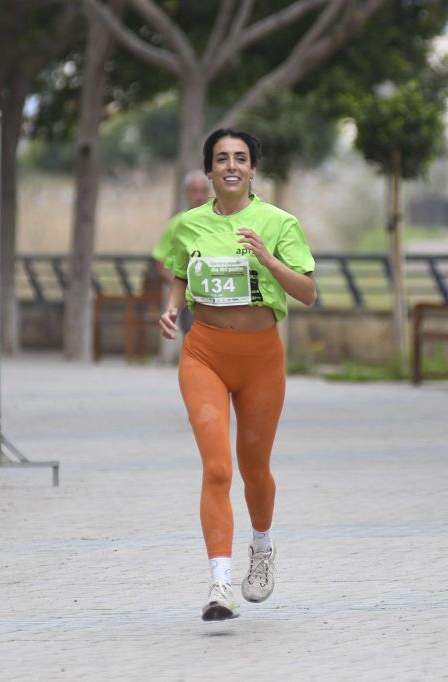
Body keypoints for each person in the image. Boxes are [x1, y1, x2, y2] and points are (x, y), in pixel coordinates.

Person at [160, 128, 316, 621]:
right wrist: (170, 308)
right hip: (204, 352)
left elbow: (308, 292)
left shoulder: (279, 222)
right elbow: (181, 270)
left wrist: (267, 259)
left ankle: (263, 548)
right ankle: (219, 584)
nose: (231, 165)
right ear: (208, 171)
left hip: (261, 358)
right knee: (217, 467)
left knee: (254, 469)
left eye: (241, 158)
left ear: (252, 170)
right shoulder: (186, 224)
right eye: (221, 158)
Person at [152, 170, 212, 338]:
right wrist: (183, 287)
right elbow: (160, 261)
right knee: (194, 338)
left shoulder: (220, 220)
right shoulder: (177, 224)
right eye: (194, 191)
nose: (199, 196)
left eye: (203, 191)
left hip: (218, 295)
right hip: (191, 299)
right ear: (186, 193)